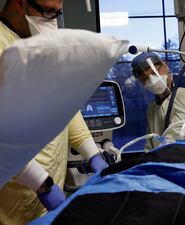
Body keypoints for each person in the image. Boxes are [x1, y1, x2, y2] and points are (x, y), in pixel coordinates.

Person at [0, 0, 109, 224]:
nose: (54, 22)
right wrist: (41, 184)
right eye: (48, 12)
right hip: (13, 204)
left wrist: (93, 153)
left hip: (48, 193)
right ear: (20, 3)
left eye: (58, 13)